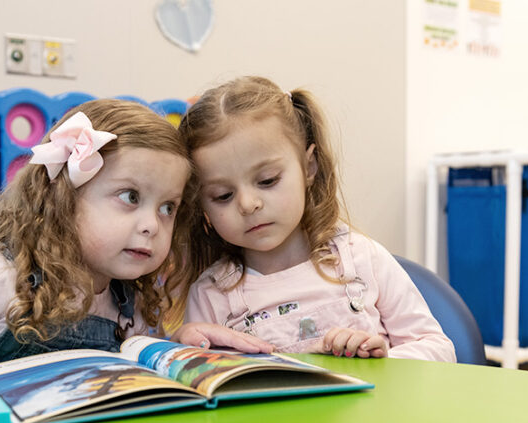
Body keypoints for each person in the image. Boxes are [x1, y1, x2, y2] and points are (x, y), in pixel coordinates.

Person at [0, 99, 272, 376]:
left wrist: (178, 339)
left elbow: (140, 363)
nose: (152, 225)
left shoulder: (131, 302)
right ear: (64, 201)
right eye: (130, 197)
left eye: (167, 208)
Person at [172, 76, 456, 362]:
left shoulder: (360, 259)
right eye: (223, 195)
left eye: (268, 180)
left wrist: (383, 360)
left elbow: (440, 349)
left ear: (309, 167)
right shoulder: (212, 295)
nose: (248, 204)